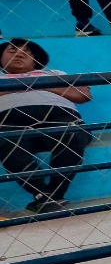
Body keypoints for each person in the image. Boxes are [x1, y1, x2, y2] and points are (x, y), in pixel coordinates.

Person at [0, 38, 92, 213]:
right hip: (9, 124)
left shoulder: (54, 74)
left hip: (59, 119)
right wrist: (22, 85)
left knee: (72, 133)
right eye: (12, 51)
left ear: (36, 60)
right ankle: (44, 194)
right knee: (6, 142)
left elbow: (83, 95)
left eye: (27, 52)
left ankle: (51, 195)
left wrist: (42, 85)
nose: (19, 54)